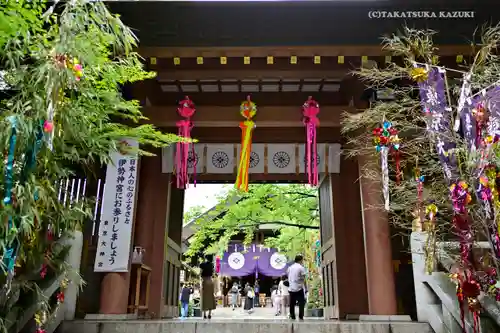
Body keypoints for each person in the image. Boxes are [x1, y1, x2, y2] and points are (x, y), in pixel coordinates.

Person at [287, 254, 306, 321]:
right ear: (300, 260)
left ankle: (292, 316)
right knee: (301, 302)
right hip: (299, 287)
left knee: (292, 303)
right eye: (302, 260)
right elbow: (304, 277)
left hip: (291, 288)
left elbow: (288, 276)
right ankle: (301, 316)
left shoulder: (290, 267)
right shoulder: (301, 267)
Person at [199, 255, 216, 319]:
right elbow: (213, 274)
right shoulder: (212, 265)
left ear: (205, 258)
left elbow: (200, 273)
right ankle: (209, 314)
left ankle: (204, 314)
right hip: (210, 282)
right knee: (210, 297)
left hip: (204, 281)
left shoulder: (202, 265)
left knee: (204, 298)